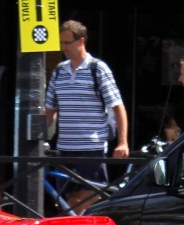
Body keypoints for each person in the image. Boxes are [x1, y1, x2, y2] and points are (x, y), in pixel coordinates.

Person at [44, 20, 129, 210]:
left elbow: (118, 107)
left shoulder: (97, 69)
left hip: (91, 147)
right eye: (61, 43)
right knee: (65, 203)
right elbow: (49, 110)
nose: (63, 47)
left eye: (67, 42)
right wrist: (40, 139)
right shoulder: (59, 71)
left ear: (81, 41)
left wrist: (123, 142)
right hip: (65, 147)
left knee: (85, 199)